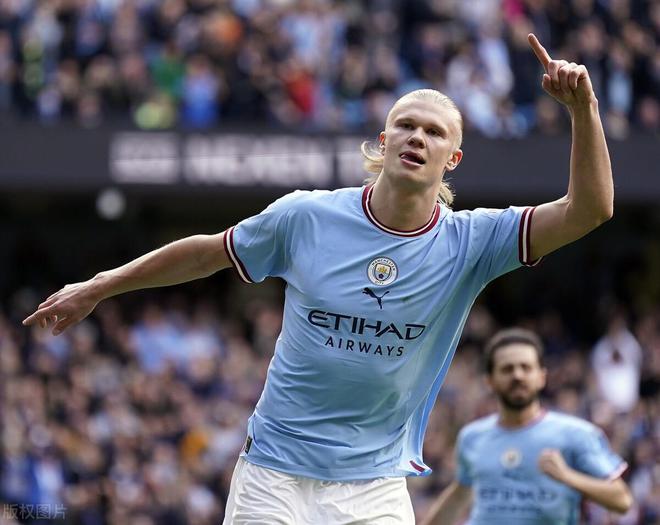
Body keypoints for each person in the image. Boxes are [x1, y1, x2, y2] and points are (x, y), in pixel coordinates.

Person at [23, 34, 614, 523]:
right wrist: (99, 286)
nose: (418, 137)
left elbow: (589, 210)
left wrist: (582, 109)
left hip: (374, 486)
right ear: (383, 142)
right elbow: (206, 253)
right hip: (272, 475)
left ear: (452, 159)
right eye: (406, 125)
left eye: (435, 133)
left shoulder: (473, 242)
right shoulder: (306, 216)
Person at [421, 328, 633, 525]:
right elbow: (460, 493)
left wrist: (567, 476)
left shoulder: (577, 434)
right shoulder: (472, 437)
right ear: (489, 381)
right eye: (507, 369)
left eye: (526, 367)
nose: (517, 375)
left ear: (542, 377)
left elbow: (622, 500)